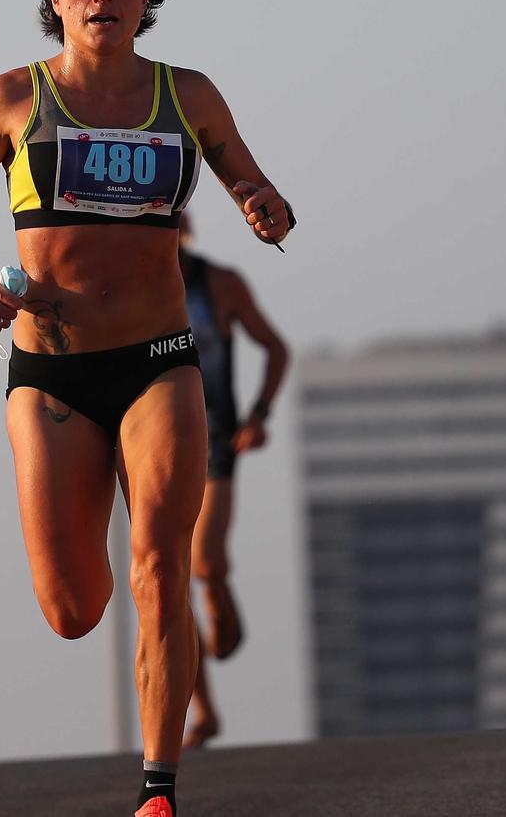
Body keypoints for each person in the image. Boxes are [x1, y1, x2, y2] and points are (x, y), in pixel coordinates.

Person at [0, 0, 293, 817]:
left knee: (161, 561)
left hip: (161, 360)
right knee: (74, 607)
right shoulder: (13, 98)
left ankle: (158, 790)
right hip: (50, 373)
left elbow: (247, 172)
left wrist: (259, 199)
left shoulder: (188, 94)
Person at [174, 212, 290, 747]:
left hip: (216, 439)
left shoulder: (218, 285)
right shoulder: (118, 291)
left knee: (203, 563)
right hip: (156, 449)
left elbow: (275, 347)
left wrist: (259, 415)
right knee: (166, 586)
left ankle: (218, 585)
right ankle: (204, 711)